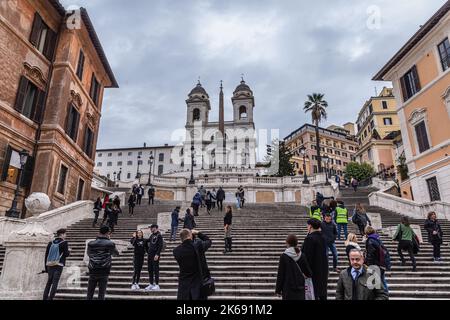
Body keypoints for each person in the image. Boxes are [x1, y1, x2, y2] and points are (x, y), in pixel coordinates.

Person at [173, 229, 212, 300]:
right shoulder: (198, 246)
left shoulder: (176, 251)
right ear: (190, 235)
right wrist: (198, 233)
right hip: (198, 284)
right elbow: (209, 241)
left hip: (184, 285)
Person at [275, 234, 312, 300]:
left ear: (287, 243)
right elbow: (308, 273)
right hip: (300, 288)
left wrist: (278, 290)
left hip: (287, 289)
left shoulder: (284, 256)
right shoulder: (302, 255)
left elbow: (281, 274)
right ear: (296, 243)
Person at [87, 226, 119, 300]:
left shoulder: (91, 243)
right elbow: (116, 254)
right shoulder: (110, 244)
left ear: (99, 232)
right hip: (104, 270)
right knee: (101, 293)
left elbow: (89, 254)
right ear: (108, 233)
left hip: (93, 269)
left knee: (90, 293)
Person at [301, 218, 328, 300]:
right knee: (322, 293)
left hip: (313, 272)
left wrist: (305, 272)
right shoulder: (322, 237)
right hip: (322, 270)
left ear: (310, 226)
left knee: (312, 294)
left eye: (307, 225)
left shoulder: (310, 239)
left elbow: (307, 257)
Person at [43, 228, 70, 300]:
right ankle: (50, 298)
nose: (65, 235)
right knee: (55, 283)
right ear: (62, 234)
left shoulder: (50, 243)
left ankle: (44, 298)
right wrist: (69, 251)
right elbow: (66, 254)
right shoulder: (64, 243)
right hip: (59, 264)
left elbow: (46, 255)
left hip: (49, 264)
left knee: (49, 282)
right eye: (65, 234)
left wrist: (46, 267)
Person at [365, 226, 389, 293]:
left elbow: (370, 254)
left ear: (366, 233)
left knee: (376, 282)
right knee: (382, 280)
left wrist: (368, 265)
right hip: (381, 263)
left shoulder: (370, 240)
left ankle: (382, 295)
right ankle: (386, 293)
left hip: (375, 264)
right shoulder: (377, 238)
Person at [145, 224, 163, 291]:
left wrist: (157, 254)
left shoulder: (159, 236)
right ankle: (151, 284)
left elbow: (160, 246)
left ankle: (157, 284)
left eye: (151, 228)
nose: (150, 229)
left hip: (155, 255)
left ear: (155, 228)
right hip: (150, 254)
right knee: (150, 269)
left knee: (156, 269)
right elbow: (147, 241)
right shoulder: (152, 235)